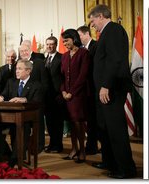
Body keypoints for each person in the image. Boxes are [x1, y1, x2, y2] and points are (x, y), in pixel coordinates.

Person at [88, 4, 136, 179]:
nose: (92, 25)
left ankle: (126, 169)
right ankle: (110, 162)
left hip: (112, 89)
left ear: (100, 16)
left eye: (93, 20)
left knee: (115, 130)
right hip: (105, 90)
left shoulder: (114, 30)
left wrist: (106, 85)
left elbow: (115, 61)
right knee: (105, 128)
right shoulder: (107, 32)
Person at [0, 59, 43, 167]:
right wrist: (0, 96)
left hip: (26, 119)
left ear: (28, 71)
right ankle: (4, 154)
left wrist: (25, 100)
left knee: (22, 127)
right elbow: (4, 95)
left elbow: (37, 102)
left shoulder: (36, 84)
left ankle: (14, 159)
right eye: (16, 69)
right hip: (9, 117)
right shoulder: (11, 82)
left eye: (20, 69)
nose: (17, 71)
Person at [60, 29, 90, 163]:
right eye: (63, 41)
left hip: (78, 95)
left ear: (73, 38)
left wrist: (72, 92)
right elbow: (61, 77)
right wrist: (63, 92)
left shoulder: (84, 53)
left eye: (66, 40)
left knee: (78, 123)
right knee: (71, 123)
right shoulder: (64, 56)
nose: (64, 43)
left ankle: (82, 151)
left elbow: (83, 75)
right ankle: (73, 149)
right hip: (66, 95)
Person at [19, 43, 48, 152]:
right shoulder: (19, 64)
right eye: (21, 51)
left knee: (38, 123)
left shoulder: (39, 63)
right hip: (23, 100)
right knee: (25, 124)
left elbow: (45, 82)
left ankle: (39, 146)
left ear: (30, 50)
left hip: (37, 100)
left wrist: (40, 98)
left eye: (26, 50)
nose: (24, 53)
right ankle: (25, 146)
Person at [77, 25, 99, 155]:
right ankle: (91, 145)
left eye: (79, 36)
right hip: (87, 90)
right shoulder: (81, 49)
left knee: (95, 120)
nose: (78, 39)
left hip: (96, 88)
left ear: (86, 34)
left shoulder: (96, 46)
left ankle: (93, 146)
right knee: (90, 119)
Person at [43, 36, 65, 153]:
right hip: (47, 97)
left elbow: (64, 77)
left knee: (58, 122)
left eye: (51, 44)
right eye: (47, 44)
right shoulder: (44, 59)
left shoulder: (61, 58)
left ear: (56, 45)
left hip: (58, 95)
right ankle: (52, 143)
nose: (49, 46)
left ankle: (58, 145)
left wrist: (62, 92)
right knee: (50, 122)